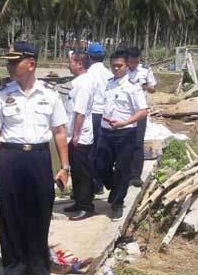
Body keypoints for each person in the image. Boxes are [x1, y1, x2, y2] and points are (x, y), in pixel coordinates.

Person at [0, 42, 70, 275]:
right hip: (10, 157)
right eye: (9, 62)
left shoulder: (49, 94)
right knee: (10, 215)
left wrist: (65, 167)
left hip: (38, 157)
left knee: (40, 213)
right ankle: (14, 271)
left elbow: (59, 132)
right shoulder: (2, 95)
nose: (10, 66)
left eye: (16, 62)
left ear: (31, 64)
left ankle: (38, 268)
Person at [95, 50, 148, 221]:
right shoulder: (109, 84)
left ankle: (117, 204)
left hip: (126, 132)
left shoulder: (133, 87)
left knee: (122, 169)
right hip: (106, 131)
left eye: (120, 66)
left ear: (127, 66)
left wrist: (124, 123)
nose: (116, 69)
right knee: (100, 164)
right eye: (113, 66)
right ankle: (114, 187)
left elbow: (143, 112)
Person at [63, 51, 96, 221]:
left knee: (82, 172)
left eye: (71, 62)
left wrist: (75, 134)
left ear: (79, 64)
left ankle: (86, 206)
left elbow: (80, 112)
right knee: (76, 171)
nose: (69, 65)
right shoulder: (78, 82)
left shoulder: (83, 84)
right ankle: (78, 200)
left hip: (80, 136)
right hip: (72, 133)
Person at [126, 47, 156, 187]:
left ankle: (135, 175)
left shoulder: (145, 70)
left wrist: (146, 87)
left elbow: (153, 89)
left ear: (139, 60)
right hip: (124, 112)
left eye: (135, 62)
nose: (133, 65)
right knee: (124, 143)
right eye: (131, 62)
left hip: (140, 112)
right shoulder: (121, 69)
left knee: (138, 143)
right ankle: (123, 173)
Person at [86, 43, 111, 194]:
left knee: (90, 150)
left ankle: (94, 183)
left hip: (93, 114)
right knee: (102, 150)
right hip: (106, 114)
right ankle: (100, 182)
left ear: (89, 57)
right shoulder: (109, 73)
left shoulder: (89, 74)